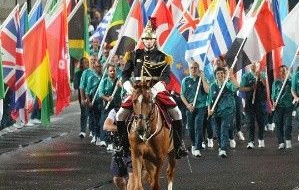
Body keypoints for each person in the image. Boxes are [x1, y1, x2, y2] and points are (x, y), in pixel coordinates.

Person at [116, 19, 188, 159]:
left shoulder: (163, 57)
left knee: (177, 113)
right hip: (136, 91)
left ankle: (179, 146)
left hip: (156, 90)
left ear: (155, 40)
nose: (148, 41)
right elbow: (125, 75)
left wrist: (155, 89)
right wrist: (129, 87)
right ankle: (123, 146)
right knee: (120, 115)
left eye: (150, 39)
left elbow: (166, 77)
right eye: (146, 39)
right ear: (143, 40)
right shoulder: (134, 55)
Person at [103, 108, 132, 190]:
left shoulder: (138, 109)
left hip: (134, 148)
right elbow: (106, 126)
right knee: (117, 179)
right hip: (120, 147)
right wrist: (123, 129)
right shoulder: (115, 111)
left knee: (133, 176)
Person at [207, 66, 240, 158]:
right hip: (216, 111)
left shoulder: (228, 84)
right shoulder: (213, 86)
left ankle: (223, 149)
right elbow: (209, 99)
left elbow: (237, 87)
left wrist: (231, 75)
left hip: (228, 110)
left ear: (225, 74)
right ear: (215, 75)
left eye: (222, 73)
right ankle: (221, 145)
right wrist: (209, 110)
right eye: (218, 73)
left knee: (224, 128)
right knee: (218, 130)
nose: (220, 75)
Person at [180, 61, 210, 157]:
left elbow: (208, 90)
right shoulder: (185, 80)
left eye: (195, 68)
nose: (193, 69)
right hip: (189, 108)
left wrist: (202, 77)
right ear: (189, 69)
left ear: (198, 69)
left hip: (200, 106)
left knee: (198, 126)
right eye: (192, 68)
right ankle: (193, 143)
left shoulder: (202, 79)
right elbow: (182, 95)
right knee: (191, 128)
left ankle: (197, 147)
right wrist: (188, 105)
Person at [240, 60, 268, 149]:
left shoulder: (262, 74)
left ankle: (261, 138)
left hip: (260, 103)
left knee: (261, 122)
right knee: (250, 123)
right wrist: (250, 88)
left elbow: (265, 85)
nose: (253, 65)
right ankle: (250, 141)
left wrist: (259, 77)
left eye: (255, 63)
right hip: (249, 103)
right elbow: (241, 88)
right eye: (251, 63)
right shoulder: (246, 76)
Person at [80, 55, 103, 145]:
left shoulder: (101, 73)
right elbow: (82, 86)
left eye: (95, 60)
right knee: (92, 116)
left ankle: (98, 134)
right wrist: (83, 99)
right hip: (89, 97)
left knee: (99, 117)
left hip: (99, 99)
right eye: (92, 60)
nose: (93, 61)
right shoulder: (86, 73)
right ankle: (93, 133)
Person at [272, 65, 294, 149]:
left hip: (288, 106)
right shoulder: (276, 82)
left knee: (288, 125)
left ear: (287, 71)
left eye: (284, 71)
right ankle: (281, 142)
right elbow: (273, 94)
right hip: (279, 106)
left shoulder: (291, 81)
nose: (282, 73)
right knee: (279, 124)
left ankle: (288, 140)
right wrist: (273, 102)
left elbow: (294, 91)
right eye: (281, 71)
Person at [74, 56, 90, 138]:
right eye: (85, 62)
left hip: (92, 95)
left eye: (87, 62)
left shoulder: (91, 72)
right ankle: (83, 131)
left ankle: (93, 130)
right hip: (82, 96)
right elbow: (76, 86)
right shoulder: (78, 73)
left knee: (93, 113)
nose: (87, 64)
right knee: (84, 113)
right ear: (81, 64)